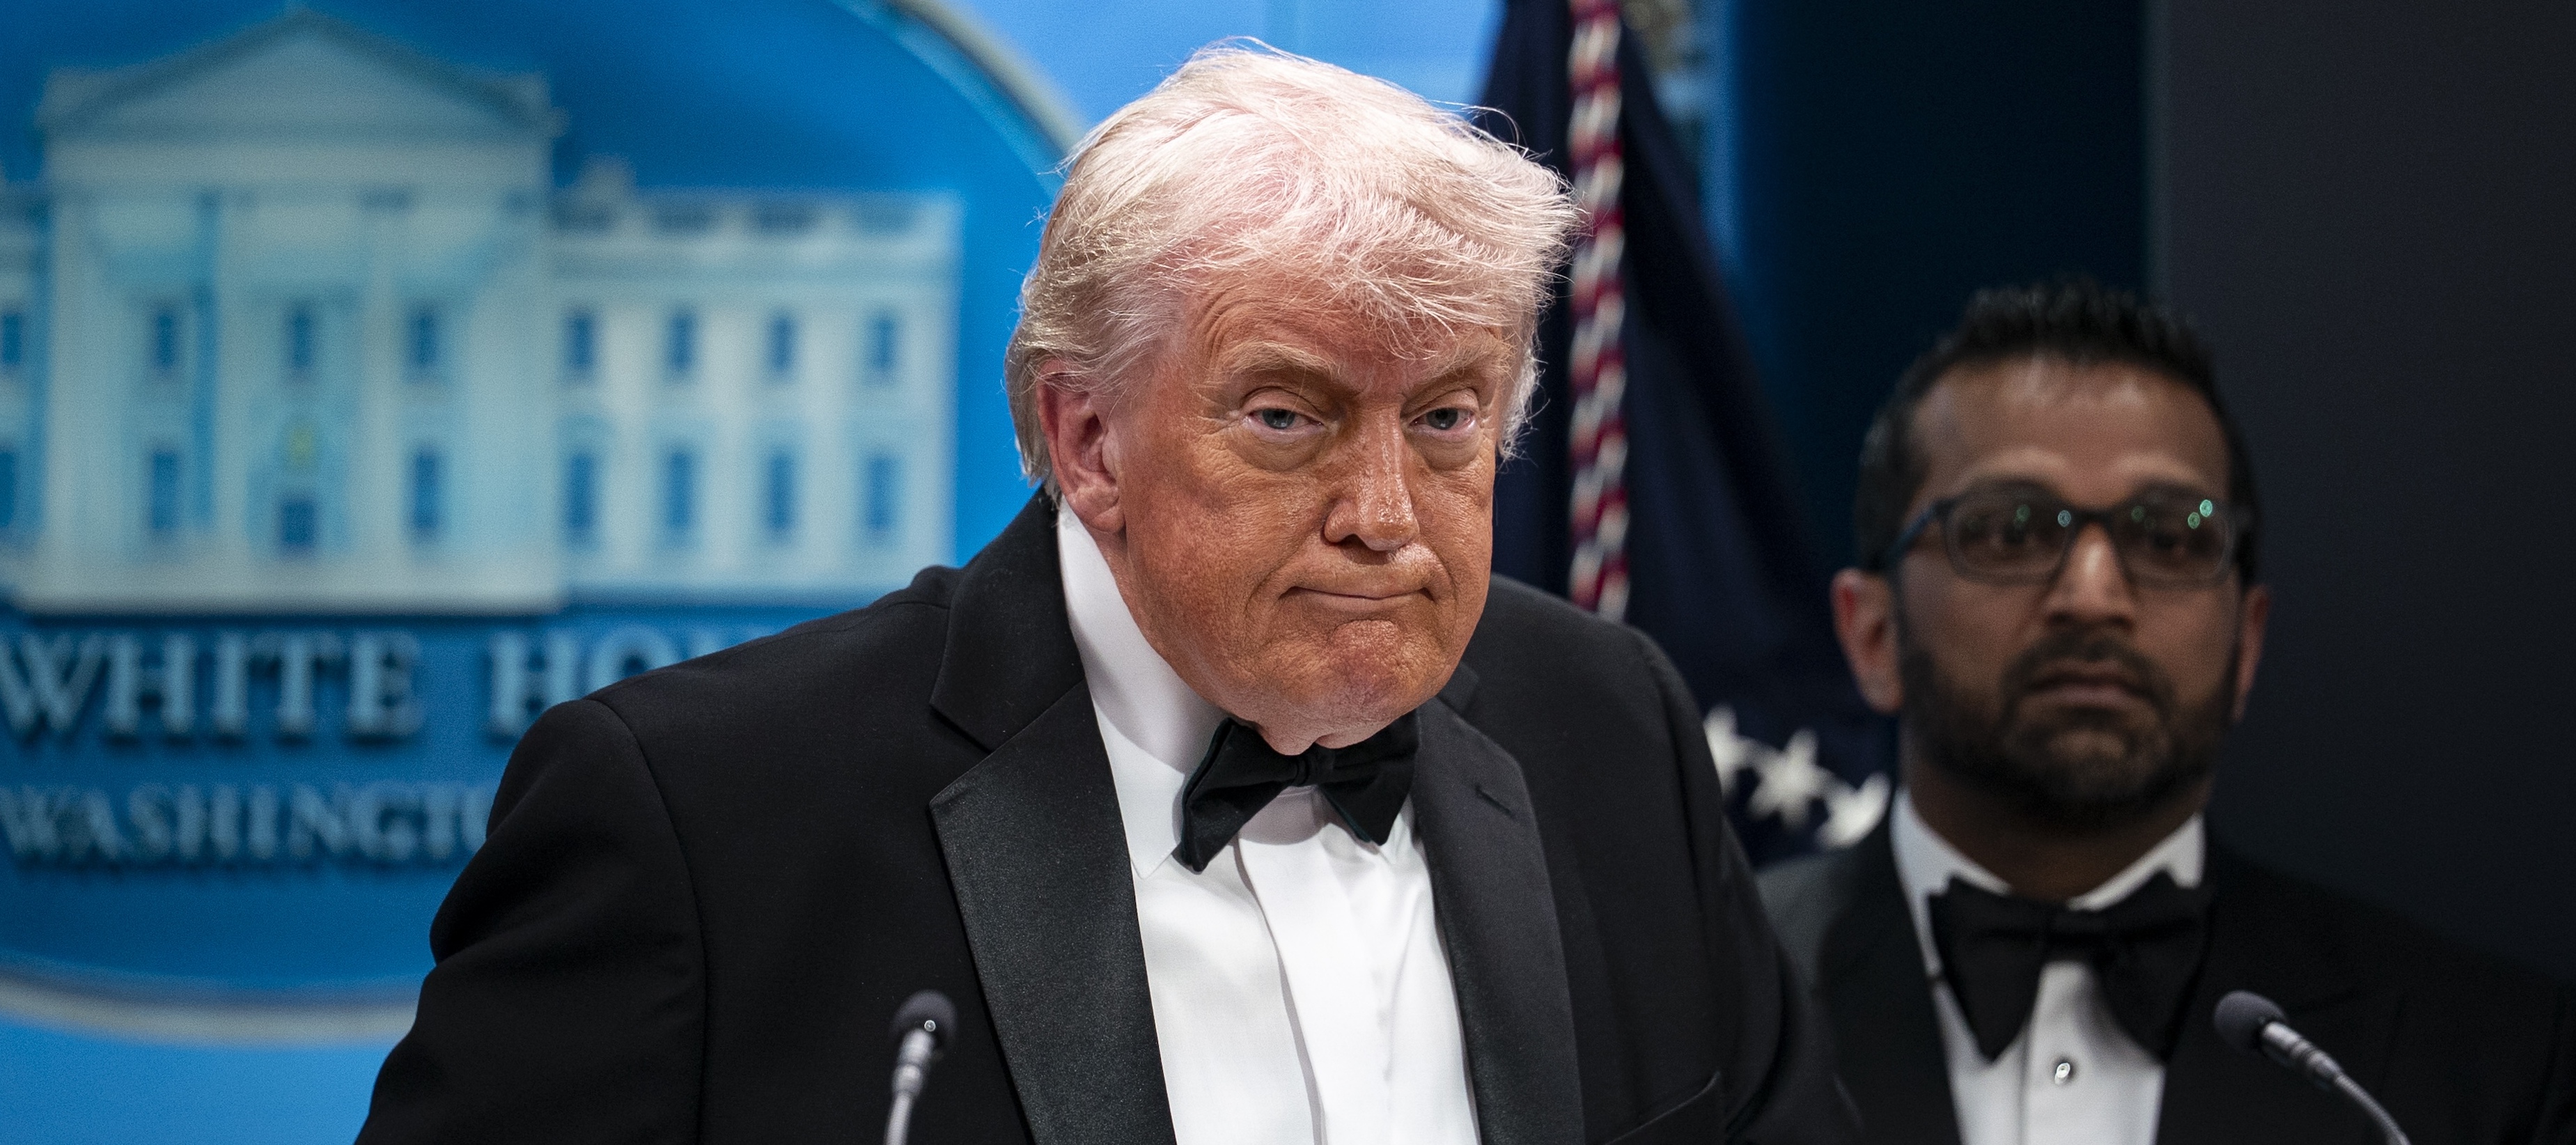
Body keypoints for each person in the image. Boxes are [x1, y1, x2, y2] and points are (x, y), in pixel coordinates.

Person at [357, 47, 1854, 1145]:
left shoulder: (1604, 724)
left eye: (1447, 419)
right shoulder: (704, 816)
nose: (1383, 517)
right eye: (1288, 416)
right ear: (1085, 438)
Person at [1758, 280, 2576, 1144]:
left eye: (2169, 537)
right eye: (2011, 530)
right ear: (1873, 635)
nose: (2093, 594)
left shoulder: (2495, 1065)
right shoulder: (1703, 1005)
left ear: (2248, 647)